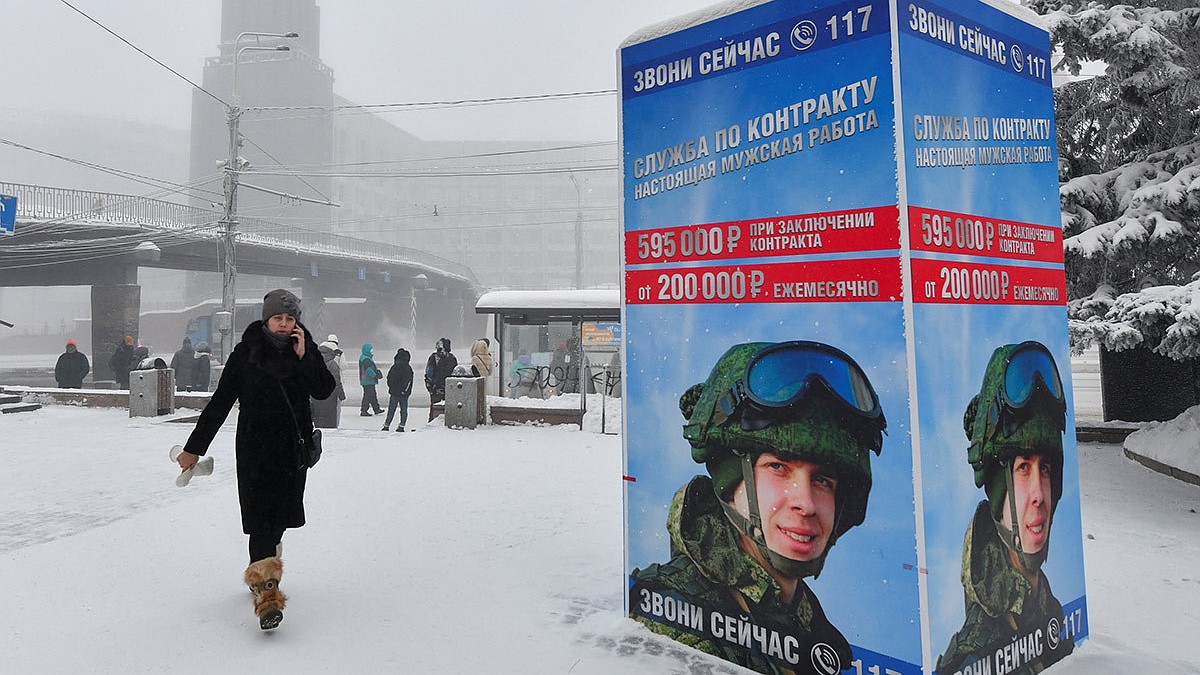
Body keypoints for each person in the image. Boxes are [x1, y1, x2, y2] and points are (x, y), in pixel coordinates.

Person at [630, 341, 887, 674]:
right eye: (778, 468)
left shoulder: (817, 633)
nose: (806, 504)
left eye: (823, 480)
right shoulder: (668, 613)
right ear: (732, 480)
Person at [173, 289, 335, 631]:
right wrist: (194, 448)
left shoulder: (303, 352)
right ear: (266, 319)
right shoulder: (245, 354)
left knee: (277, 523)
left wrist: (306, 356)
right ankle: (267, 597)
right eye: (278, 317)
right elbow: (219, 403)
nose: (284, 324)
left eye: (290, 319)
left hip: (292, 453)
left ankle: (262, 573)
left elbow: (323, 391)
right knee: (262, 522)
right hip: (256, 452)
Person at [937, 341, 1075, 675]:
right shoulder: (976, 654)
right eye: (1023, 468)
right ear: (998, 492)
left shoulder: (1048, 610)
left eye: (1045, 469)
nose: (1039, 494)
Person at [311, 338, 345, 429]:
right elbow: (336, 382)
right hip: (330, 396)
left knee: (318, 420)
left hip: (315, 396)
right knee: (329, 421)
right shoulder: (332, 364)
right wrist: (341, 395)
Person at [424, 337, 457, 421]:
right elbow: (455, 373)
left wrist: (430, 385)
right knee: (448, 409)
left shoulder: (433, 357)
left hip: (436, 388)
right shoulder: (452, 358)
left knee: (434, 409)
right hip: (449, 388)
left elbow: (429, 373)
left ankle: (432, 424)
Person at [382, 348, 414, 432]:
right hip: (404, 393)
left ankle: (386, 425)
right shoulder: (408, 368)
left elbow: (389, 379)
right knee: (403, 410)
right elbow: (409, 381)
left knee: (391, 409)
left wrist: (391, 387)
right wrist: (405, 390)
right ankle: (401, 425)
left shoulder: (394, 367)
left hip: (394, 392)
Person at [358, 343, 384, 417]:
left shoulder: (365, 358)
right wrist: (375, 375)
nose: (372, 351)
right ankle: (364, 410)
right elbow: (368, 370)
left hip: (367, 380)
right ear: (367, 350)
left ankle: (376, 409)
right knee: (368, 395)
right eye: (371, 350)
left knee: (372, 395)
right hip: (367, 380)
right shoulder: (366, 359)